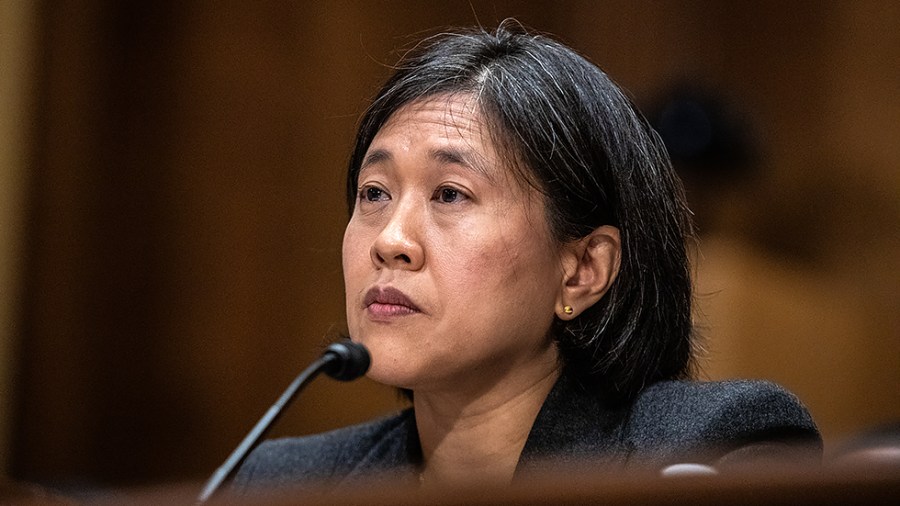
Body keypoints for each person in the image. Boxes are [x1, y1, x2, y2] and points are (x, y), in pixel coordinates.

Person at [233, 22, 820, 494]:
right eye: (374, 194)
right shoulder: (284, 482)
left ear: (583, 269)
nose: (390, 240)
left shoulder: (710, 446)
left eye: (450, 194)